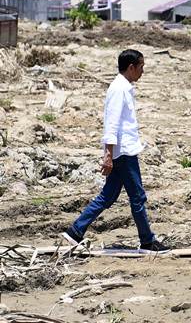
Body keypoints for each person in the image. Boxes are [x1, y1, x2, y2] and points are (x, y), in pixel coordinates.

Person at [62, 49, 169, 253]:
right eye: (141, 67)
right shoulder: (118, 89)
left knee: (108, 196)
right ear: (131, 67)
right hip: (124, 153)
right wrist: (108, 155)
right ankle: (147, 241)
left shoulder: (124, 87)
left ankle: (75, 231)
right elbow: (111, 125)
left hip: (123, 150)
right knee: (137, 196)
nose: (142, 72)